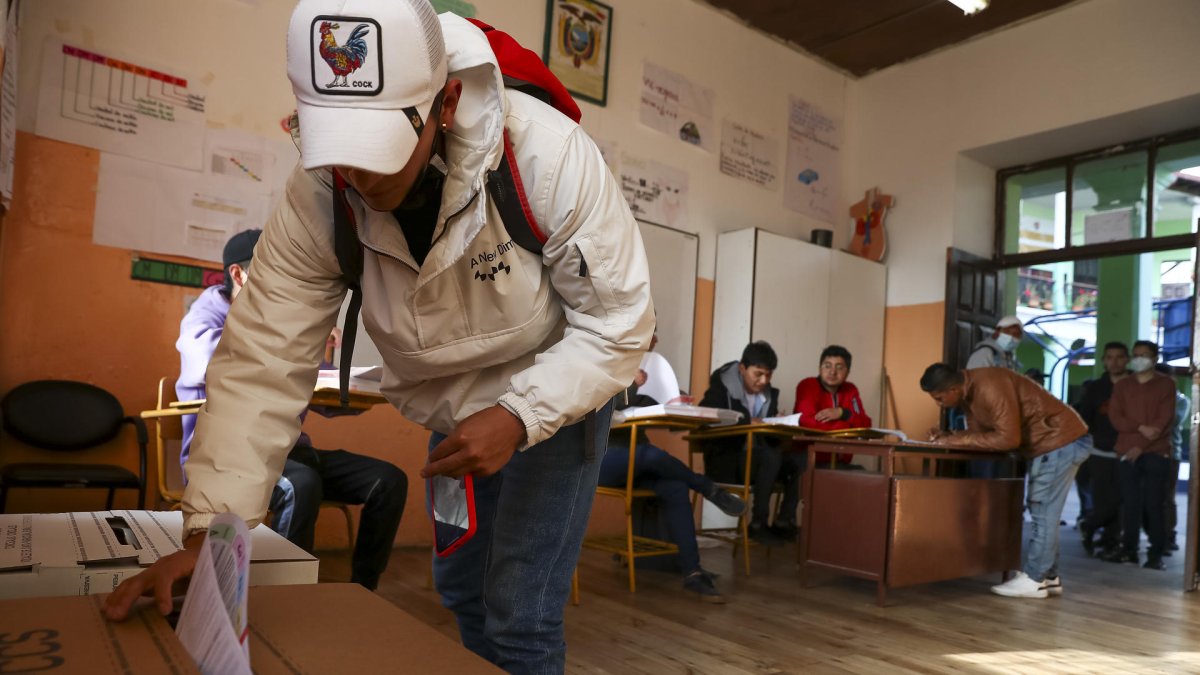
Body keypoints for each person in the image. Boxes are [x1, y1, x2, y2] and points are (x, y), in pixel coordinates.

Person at [106, 3, 654, 672]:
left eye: (377, 155)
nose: (359, 180)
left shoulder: (547, 155)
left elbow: (621, 324)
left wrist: (517, 414)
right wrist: (210, 535)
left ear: (446, 102)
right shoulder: (319, 194)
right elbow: (263, 358)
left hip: (559, 389)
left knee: (520, 610)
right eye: (341, 154)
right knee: (460, 588)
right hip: (451, 402)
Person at [175, 229, 407, 590]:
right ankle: (286, 590)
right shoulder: (204, 317)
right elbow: (217, 363)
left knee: (388, 480)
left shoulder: (282, 325)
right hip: (232, 458)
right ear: (238, 275)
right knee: (302, 484)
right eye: (272, 273)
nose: (285, 286)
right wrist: (302, 348)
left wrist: (350, 378)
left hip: (293, 449)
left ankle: (364, 588)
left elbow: (319, 395)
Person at [920, 364, 1088, 599]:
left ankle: (1035, 579)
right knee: (1043, 511)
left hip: (1058, 442)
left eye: (939, 398)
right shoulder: (969, 393)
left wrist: (960, 440)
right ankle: (1048, 577)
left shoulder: (989, 385)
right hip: (1055, 443)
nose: (938, 404)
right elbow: (983, 436)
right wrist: (951, 437)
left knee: (1043, 512)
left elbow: (1007, 438)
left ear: (953, 388)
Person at [602, 335, 746, 602]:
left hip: (638, 461)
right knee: (649, 455)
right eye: (649, 329)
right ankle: (708, 488)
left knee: (675, 486)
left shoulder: (647, 370)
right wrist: (631, 387)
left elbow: (656, 415)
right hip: (603, 461)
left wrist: (675, 404)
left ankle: (692, 572)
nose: (655, 337)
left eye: (657, 331)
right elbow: (597, 409)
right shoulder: (601, 360)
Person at [699, 341, 802, 544]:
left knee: (801, 461)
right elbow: (705, 420)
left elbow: (766, 435)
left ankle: (783, 520)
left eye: (768, 375)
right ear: (742, 368)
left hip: (758, 461)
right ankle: (758, 523)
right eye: (758, 374)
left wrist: (778, 426)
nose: (763, 381)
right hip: (726, 461)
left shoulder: (769, 394)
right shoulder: (720, 388)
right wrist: (747, 422)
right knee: (770, 457)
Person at [1103, 341, 1177, 570]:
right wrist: (1140, 428)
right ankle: (1129, 551)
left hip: (1156, 453)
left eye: (1144, 355)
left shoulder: (1166, 385)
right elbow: (1116, 418)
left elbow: (1163, 423)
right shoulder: (1123, 386)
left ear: (1155, 359)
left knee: (1154, 505)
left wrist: (1140, 446)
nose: (1138, 359)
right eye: (1136, 355)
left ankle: (1156, 554)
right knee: (1130, 504)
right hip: (1126, 452)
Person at [1072, 342, 1130, 557]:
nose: (1114, 361)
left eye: (1119, 357)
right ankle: (1093, 526)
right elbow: (1085, 419)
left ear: (1127, 359)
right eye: (1109, 357)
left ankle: (1110, 541)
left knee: (1124, 499)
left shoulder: (1135, 385)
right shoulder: (1095, 389)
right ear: (1104, 361)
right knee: (1105, 500)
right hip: (1100, 451)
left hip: (1129, 451)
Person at [793, 345, 872, 467]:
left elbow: (865, 425)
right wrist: (845, 426)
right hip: (810, 458)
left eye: (839, 367)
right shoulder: (807, 385)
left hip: (840, 460)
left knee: (865, 477)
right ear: (819, 368)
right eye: (827, 365)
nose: (832, 372)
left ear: (848, 372)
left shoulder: (850, 390)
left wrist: (843, 413)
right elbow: (807, 422)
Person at [1155, 363, 1189, 556]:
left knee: (1167, 498)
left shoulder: (1180, 401)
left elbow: (1171, 420)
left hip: (1170, 454)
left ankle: (1168, 536)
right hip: (1146, 453)